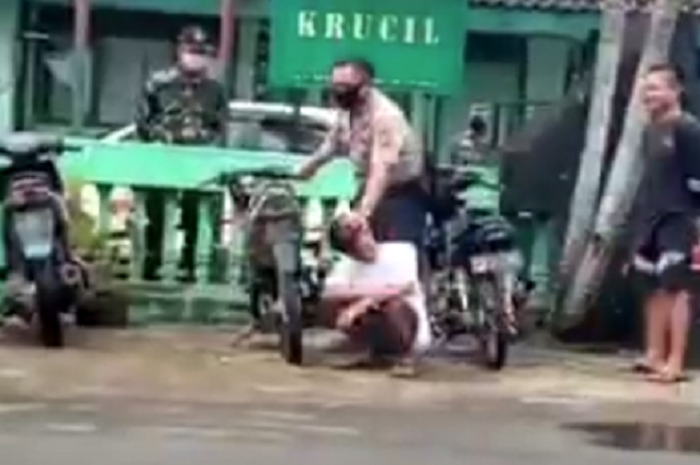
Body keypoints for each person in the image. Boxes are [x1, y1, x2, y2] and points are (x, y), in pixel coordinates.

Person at [297, 58, 427, 250]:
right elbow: (331, 145)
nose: (338, 92)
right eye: (335, 86)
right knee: (360, 254)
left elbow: (381, 169)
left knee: (395, 254)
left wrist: (363, 214)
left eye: (344, 86)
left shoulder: (385, 116)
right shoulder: (348, 111)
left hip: (399, 195)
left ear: (364, 88)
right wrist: (306, 169)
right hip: (367, 189)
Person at [134, 25, 228, 280]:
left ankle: (189, 265)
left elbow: (220, 128)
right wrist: (162, 135)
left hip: (198, 163)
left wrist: (204, 139)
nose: (196, 57)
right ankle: (151, 262)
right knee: (155, 214)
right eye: (191, 51)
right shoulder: (159, 84)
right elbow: (142, 123)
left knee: (196, 214)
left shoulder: (215, 90)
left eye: (201, 52)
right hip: (162, 161)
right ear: (180, 50)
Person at [629, 63, 700, 384]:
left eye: (655, 88)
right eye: (646, 89)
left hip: (681, 218)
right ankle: (653, 354)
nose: (649, 95)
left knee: (677, 287)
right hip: (651, 219)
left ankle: (675, 363)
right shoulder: (650, 131)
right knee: (652, 286)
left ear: (676, 90)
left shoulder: (688, 129)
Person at [318, 214, 432, 376]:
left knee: (394, 306)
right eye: (357, 244)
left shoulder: (401, 251)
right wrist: (364, 297)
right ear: (350, 252)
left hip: (408, 328)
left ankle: (404, 357)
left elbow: (406, 287)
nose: (366, 243)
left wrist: (359, 305)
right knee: (330, 305)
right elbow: (329, 292)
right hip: (378, 323)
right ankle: (371, 349)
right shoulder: (347, 265)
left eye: (366, 234)